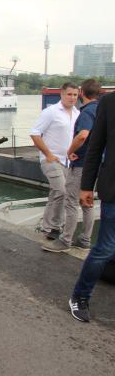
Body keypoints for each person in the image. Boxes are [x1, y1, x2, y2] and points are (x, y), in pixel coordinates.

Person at [68, 92, 115, 322]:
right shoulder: (109, 102)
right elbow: (95, 146)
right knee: (105, 248)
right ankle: (80, 296)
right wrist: (86, 186)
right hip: (113, 190)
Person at [42, 79, 100, 253]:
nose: (74, 97)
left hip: (82, 164)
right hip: (96, 164)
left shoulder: (86, 112)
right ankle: (84, 240)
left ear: (82, 92)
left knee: (71, 202)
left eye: (76, 94)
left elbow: (83, 135)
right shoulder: (102, 110)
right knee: (87, 202)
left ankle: (65, 240)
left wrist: (70, 150)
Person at [30, 83, 80, 241]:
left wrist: (73, 152)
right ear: (62, 94)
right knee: (61, 191)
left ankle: (49, 227)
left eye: (75, 95)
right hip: (50, 159)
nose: (72, 98)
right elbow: (35, 134)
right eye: (69, 94)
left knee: (56, 194)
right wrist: (48, 153)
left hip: (67, 161)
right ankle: (54, 227)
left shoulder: (77, 113)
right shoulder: (51, 112)